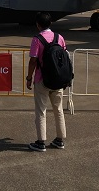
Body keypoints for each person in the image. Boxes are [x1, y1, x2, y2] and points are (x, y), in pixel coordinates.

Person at [25, 12, 67, 152]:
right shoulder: (59, 37)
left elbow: (33, 61)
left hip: (42, 80)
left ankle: (40, 142)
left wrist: (29, 78)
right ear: (51, 23)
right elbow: (64, 57)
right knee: (58, 110)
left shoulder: (37, 39)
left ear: (38, 24)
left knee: (41, 111)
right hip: (58, 80)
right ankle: (60, 140)